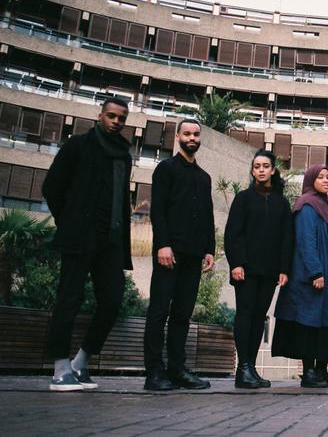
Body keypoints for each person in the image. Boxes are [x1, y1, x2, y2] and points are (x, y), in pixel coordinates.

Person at [42, 97, 133, 392]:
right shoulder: (78, 145)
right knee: (69, 298)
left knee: (113, 300)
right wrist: (68, 221)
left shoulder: (123, 154)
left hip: (111, 241)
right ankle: (59, 369)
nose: (116, 121)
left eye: (121, 118)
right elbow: (52, 187)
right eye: (111, 116)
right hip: (79, 237)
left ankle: (81, 362)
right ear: (100, 115)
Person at [143, 119, 215, 391]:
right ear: (178, 136)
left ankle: (177, 369)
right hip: (168, 252)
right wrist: (162, 244)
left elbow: (207, 215)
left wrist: (210, 249)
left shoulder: (204, 177)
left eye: (196, 134)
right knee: (159, 311)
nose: (192, 137)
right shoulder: (166, 169)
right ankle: (154, 372)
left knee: (183, 314)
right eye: (187, 133)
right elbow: (157, 210)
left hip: (194, 254)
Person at [272, 165, 328, 388]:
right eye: (321, 177)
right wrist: (316, 271)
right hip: (313, 273)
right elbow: (306, 241)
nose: (326, 180)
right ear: (311, 180)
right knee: (309, 322)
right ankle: (309, 372)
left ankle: (322, 370)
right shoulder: (307, 205)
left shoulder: (324, 205)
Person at [224, 149, 293, 389]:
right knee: (245, 315)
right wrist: (237, 264)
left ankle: (250, 368)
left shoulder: (282, 203)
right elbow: (233, 234)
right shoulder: (243, 198)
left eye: (265, 166)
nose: (261, 170)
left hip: (270, 272)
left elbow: (287, 239)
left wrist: (284, 269)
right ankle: (242, 369)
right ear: (253, 171)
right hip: (246, 270)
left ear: (273, 170)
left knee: (258, 318)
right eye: (257, 166)